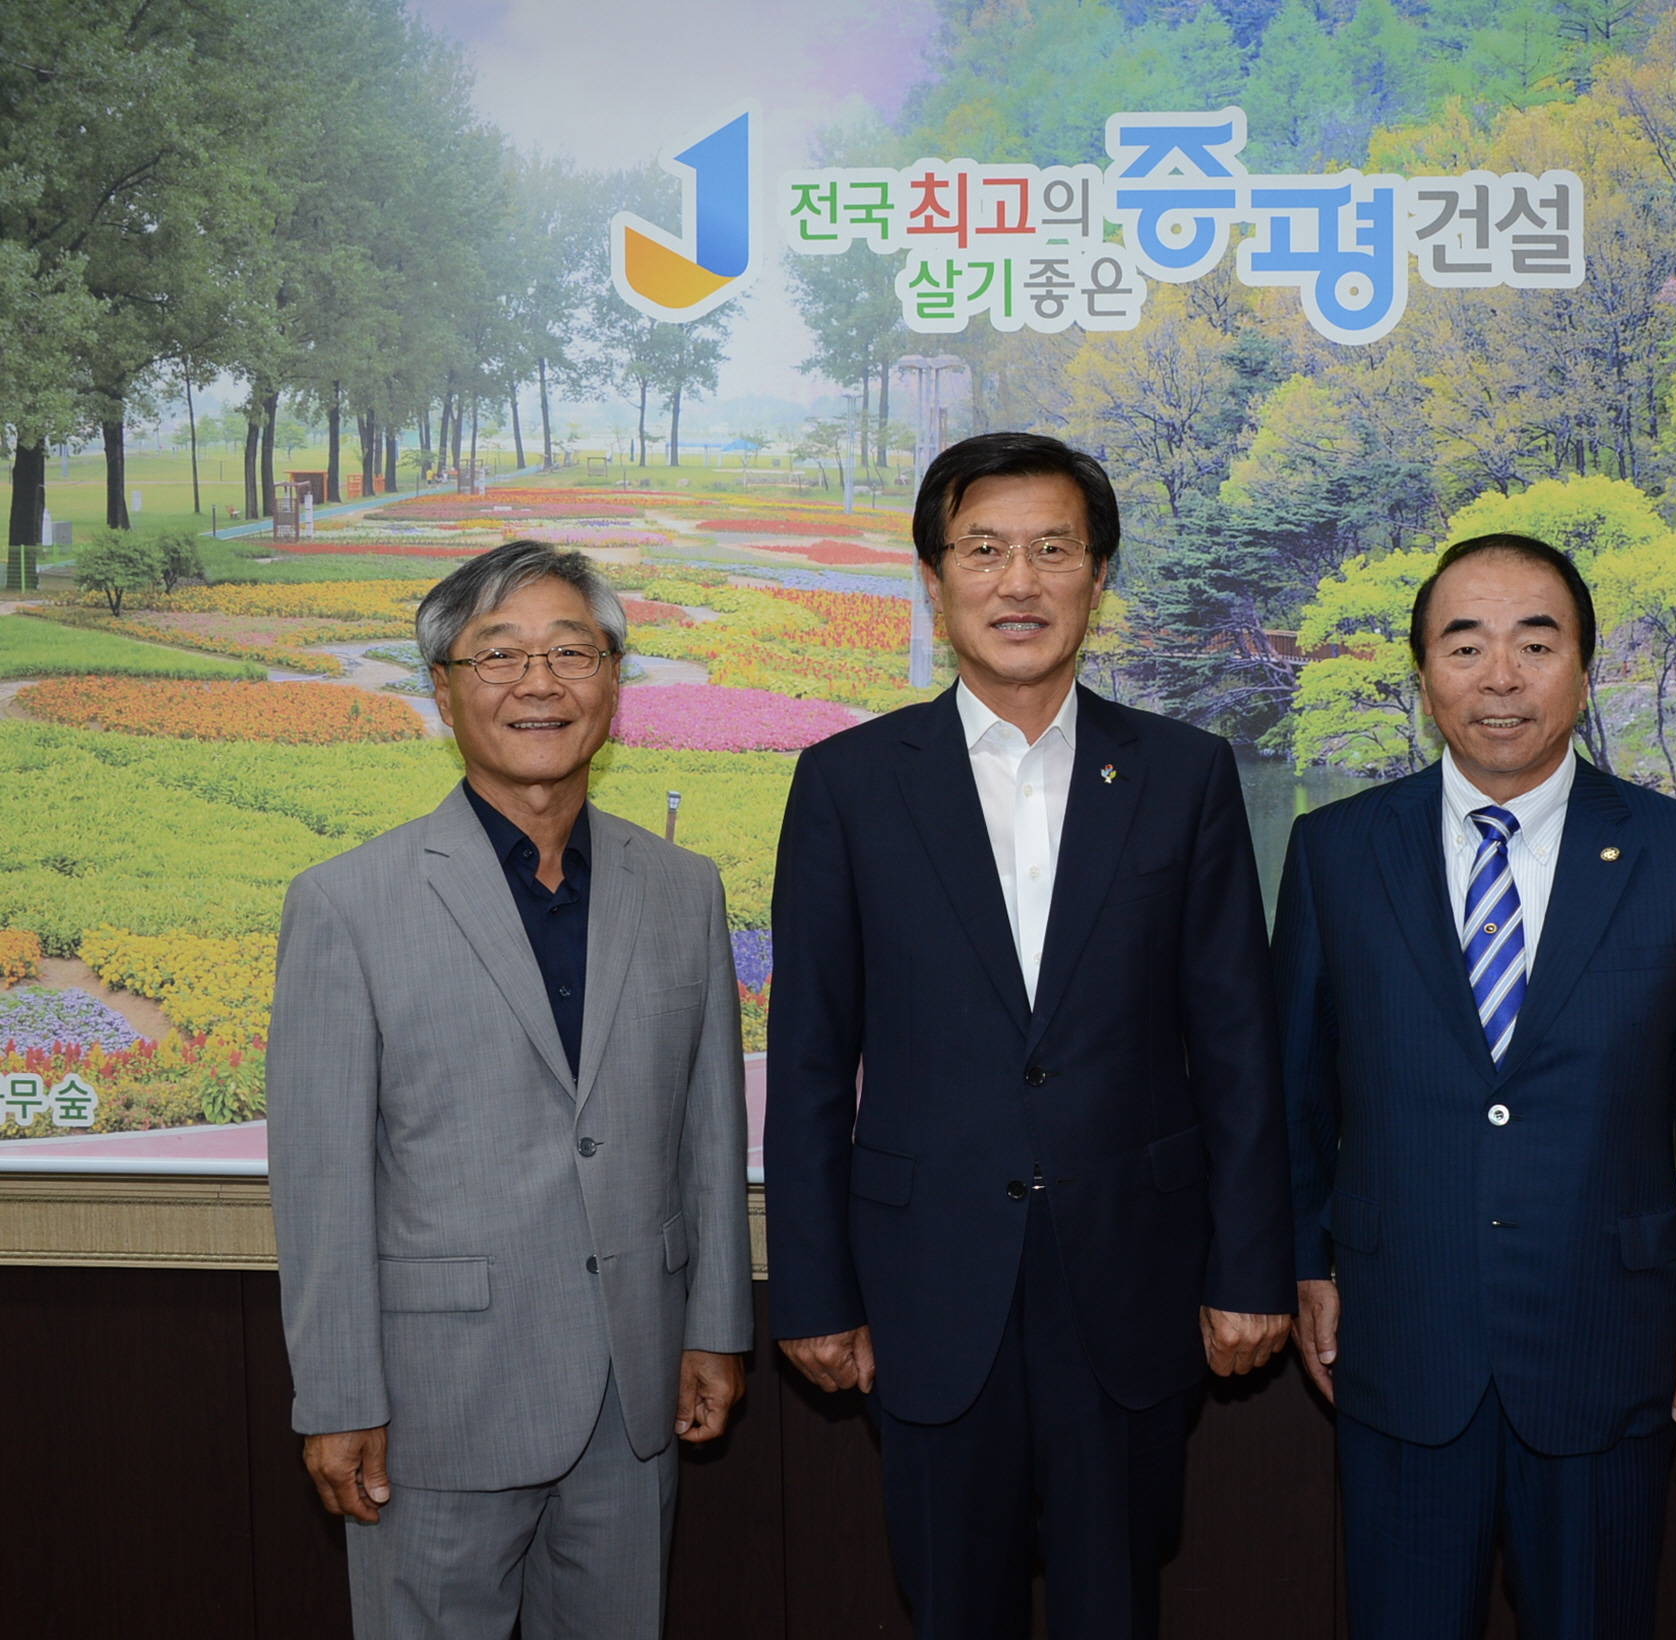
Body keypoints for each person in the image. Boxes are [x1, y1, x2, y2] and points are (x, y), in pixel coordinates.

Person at [765, 432, 1293, 1640]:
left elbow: (1236, 1043)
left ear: (1097, 576)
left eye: (1053, 550)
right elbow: (806, 1058)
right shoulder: (847, 782)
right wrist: (812, 1289)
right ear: (934, 576)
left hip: (1133, 1274)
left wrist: (1248, 1264)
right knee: (952, 1602)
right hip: (925, 1285)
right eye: (985, 550)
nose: (1019, 582)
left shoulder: (1182, 771)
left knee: (1118, 1601)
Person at [1275, 533, 1676, 1640]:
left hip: (1610, 1346)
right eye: (1464, 645)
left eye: (1534, 643)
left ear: (1584, 669)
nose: (1498, 676)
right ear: (1423, 675)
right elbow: (1294, 1089)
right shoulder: (1334, 850)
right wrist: (1301, 1257)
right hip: (1398, 1337)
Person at [267, 540, 753, 1640]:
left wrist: (717, 1322)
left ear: (614, 681)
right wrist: (339, 1396)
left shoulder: (681, 889)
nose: (540, 682)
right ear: (443, 689)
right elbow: (320, 1177)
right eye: (498, 655)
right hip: (435, 1407)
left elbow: (708, 1129)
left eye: (571, 651)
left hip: (635, 1395)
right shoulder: (347, 903)